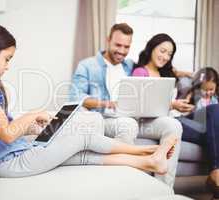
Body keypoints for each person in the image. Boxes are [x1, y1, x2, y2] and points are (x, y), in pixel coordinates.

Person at [0, 20, 177, 178]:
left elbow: (0, 132)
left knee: (81, 152)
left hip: (13, 157)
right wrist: (34, 113)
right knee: (83, 136)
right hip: (9, 163)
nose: (8, 65)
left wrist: (31, 127)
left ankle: (150, 160)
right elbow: (6, 133)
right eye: (6, 59)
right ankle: (147, 151)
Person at [69, 24, 182, 187]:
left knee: (173, 125)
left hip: (135, 117)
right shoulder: (88, 65)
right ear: (108, 40)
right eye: (118, 45)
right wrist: (107, 103)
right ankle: (123, 186)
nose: (122, 51)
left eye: (126, 47)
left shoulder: (129, 65)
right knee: (127, 124)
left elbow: (151, 72)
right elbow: (75, 97)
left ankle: (163, 189)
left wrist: (182, 73)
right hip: (106, 118)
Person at [132, 33, 219, 198]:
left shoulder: (167, 73)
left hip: (177, 116)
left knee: (214, 109)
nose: (165, 56)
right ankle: (216, 176)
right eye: (162, 51)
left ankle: (216, 173)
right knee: (213, 130)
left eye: (169, 54)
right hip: (161, 121)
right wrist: (172, 104)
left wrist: (188, 76)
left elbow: (185, 75)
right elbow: (140, 105)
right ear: (152, 48)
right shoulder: (140, 72)